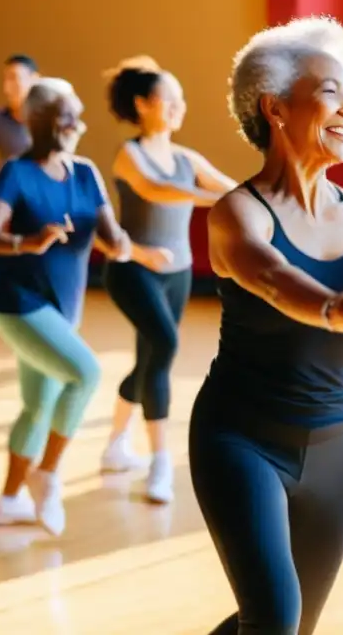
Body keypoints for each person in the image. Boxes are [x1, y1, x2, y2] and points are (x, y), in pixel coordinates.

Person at [192, 16, 343, 635]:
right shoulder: (235, 214)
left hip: (334, 443)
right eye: (333, 92)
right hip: (239, 439)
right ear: (274, 108)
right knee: (275, 619)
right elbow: (271, 277)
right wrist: (332, 306)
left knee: (290, 625)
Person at [0, 77, 173, 537]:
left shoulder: (85, 173)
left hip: (63, 309)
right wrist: (28, 241)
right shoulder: (16, 174)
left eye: (78, 114)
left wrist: (127, 245)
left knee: (37, 405)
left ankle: (7, 501)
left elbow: (109, 235)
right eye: (65, 115)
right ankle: (47, 474)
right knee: (85, 373)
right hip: (18, 306)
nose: (76, 124)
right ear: (36, 120)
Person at [99, 56, 236, 504]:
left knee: (149, 360)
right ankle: (160, 463)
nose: (179, 106)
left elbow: (231, 189)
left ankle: (115, 444)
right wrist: (203, 195)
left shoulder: (186, 158)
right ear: (142, 104)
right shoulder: (129, 155)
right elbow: (155, 190)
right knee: (165, 347)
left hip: (176, 275)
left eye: (181, 99)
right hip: (132, 271)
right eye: (168, 98)